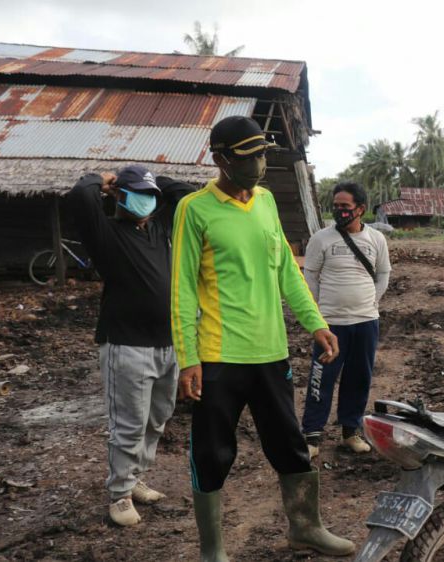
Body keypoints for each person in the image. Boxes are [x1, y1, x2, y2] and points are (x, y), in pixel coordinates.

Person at [171, 116, 354, 558]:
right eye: (249, 156)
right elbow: (181, 288)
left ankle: (305, 527)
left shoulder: (268, 202)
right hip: (218, 356)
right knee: (213, 454)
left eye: (263, 153)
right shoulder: (194, 209)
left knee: (290, 444)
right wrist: (187, 357)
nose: (260, 162)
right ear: (220, 160)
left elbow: (287, 271)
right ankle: (213, 550)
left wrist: (316, 323)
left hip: (270, 354)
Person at [66, 165, 193, 527]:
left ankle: (135, 476)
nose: (147, 200)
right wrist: (103, 181)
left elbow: (184, 194)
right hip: (126, 344)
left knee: (158, 418)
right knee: (129, 424)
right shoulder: (105, 233)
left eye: (150, 195)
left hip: (169, 344)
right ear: (119, 196)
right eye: (139, 193)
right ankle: (119, 494)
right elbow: (79, 196)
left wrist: (153, 180)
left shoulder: (161, 228)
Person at [301, 182, 390, 458]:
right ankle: (312, 436)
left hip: (366, 322)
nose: (339, 211)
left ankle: (350, 432)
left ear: (360, 209)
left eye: (345, 207)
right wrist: (318, 310)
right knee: (321, 377)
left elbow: (384, 273)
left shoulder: (376, 239)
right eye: (336, 206)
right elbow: (310, 276)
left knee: (359, 377)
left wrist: (371, 300)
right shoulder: (321, 239)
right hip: (330, 324)